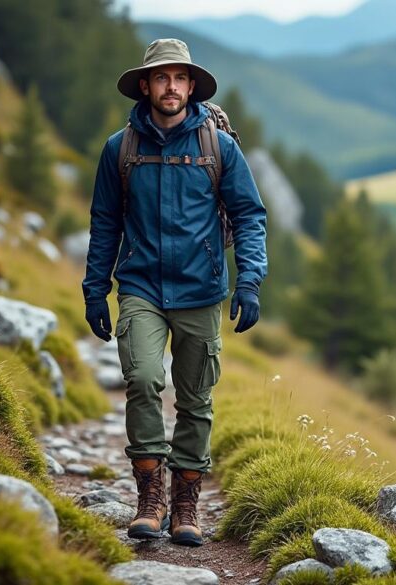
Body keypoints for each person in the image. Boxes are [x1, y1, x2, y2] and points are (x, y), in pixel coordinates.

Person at [81, 38, 268, 547]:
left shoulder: (218, 148)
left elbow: (250, 215)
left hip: (202, 290)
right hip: (140, 285)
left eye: (179, 78)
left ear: (191, 86)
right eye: (161, 78)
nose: (171, 87)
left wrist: (249, 280)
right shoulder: (119, 149)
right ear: (145, 86)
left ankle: (186, 504)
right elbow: (104, 223)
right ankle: (149, 497)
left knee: (195, 399)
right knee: (142, 379)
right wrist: (95, 289)